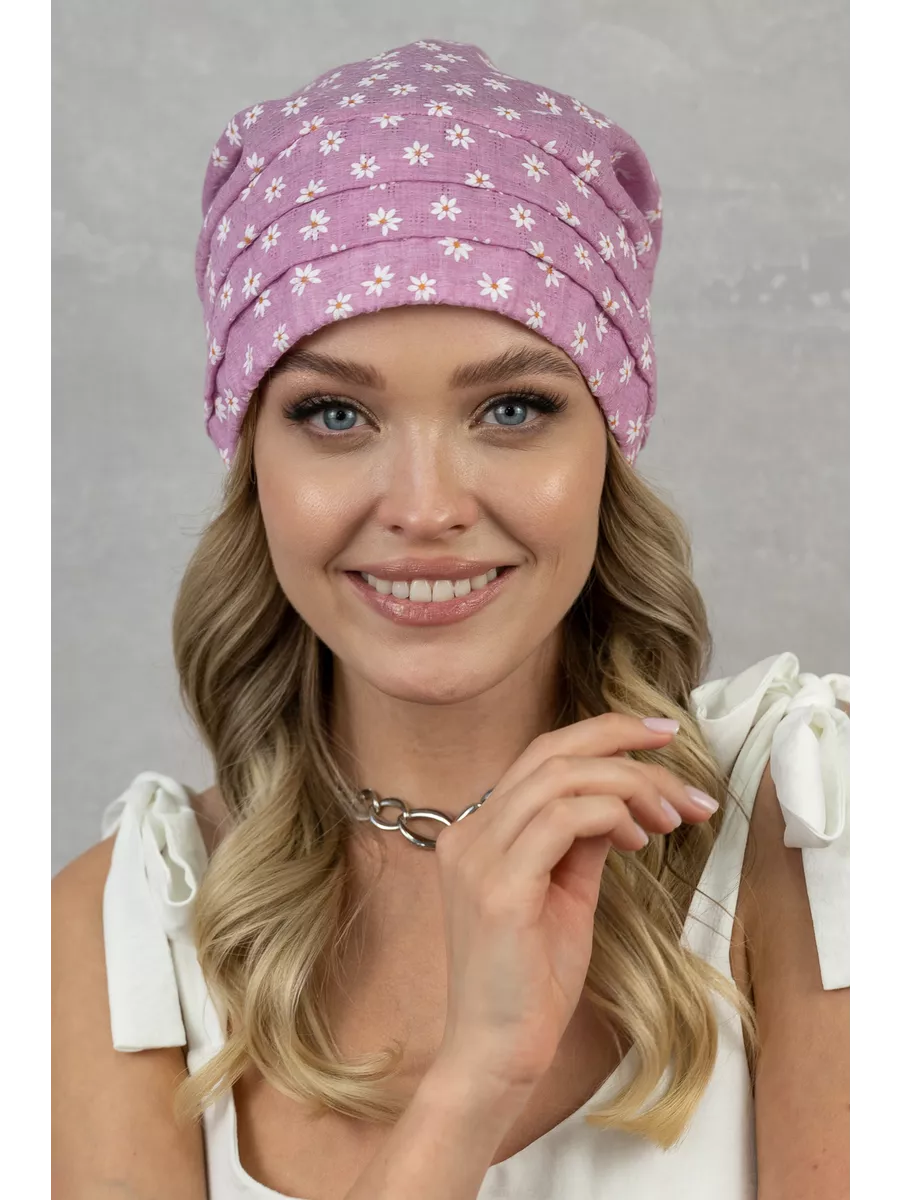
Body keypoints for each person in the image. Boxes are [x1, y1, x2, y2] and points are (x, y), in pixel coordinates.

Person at [49, 37, 854, 1200]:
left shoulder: (811, 828)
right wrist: (475, 1078)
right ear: (252, 460)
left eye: (513, 408)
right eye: (334, 415)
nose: (425, 509)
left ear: (609, 446)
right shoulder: (114, 931)